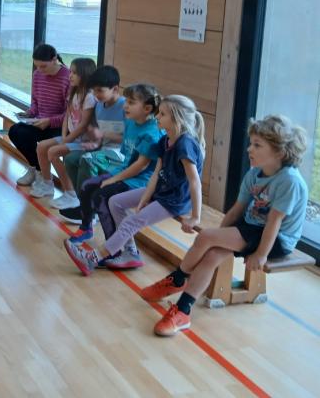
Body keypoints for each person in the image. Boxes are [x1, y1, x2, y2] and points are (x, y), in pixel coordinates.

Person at [142, 115, 308, 337]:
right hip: (253, 226)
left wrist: (260, 255)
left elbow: (274, 222)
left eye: (257, 145)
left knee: (206, 237)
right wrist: (217, 237)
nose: (249, 149)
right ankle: (183, 311)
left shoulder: (289, 181)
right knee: (211, 254)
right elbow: (236, 210)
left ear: (279, 152)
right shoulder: (254, 174)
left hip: (276, 238)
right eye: (251, 143)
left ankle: (178, 278)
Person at [63, 94, 206, 276]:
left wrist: (195, 217)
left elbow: (194, 182)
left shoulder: (185, 144)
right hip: (161, 191)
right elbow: (157, 173)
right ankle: (130, 252)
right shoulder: (165, 140)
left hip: (175, 200)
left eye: (162, 114)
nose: (157, 117)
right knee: (115, 202)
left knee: (131, 222)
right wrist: (145, 197)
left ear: (177, 119)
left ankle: (92, 258)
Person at [63, 83, 163, 269]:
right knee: (87, 186)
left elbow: (140, 167)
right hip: (125, 171)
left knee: (101, 196)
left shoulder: (151, 133)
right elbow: (126, 156)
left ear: (147, 109)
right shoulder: (131, 123)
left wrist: (112, 179)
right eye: (127, 101)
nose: (125, 105)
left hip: (140, 181)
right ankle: (86, 228)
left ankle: (114, 251)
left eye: (131, 102)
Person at [32, 58, 97, 202]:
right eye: (70, 72)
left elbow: (83, 125)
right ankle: (47, 184)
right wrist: (64, 136)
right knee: (41, 147)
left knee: (53, 152)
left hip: (84, 141)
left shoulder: (89, 97)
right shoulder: (74, 92)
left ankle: (70, 192)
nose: (70, 75)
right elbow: (67, 116)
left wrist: (66, 140)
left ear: (85, 74)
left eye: (74, 73)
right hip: (71, 137)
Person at [61, 65, 127, 204]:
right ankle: (81, 201)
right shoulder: (99, 106)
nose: (96, 95)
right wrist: (95, 143)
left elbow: (129, 140)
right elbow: (99, 136)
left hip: (121, 154)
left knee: (87, 160)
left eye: (100, 90)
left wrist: (102, 134)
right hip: (103, 150)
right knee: (70, 158)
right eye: (94, 90)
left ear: (115, 89)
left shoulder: (125, 107)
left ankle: (86, 206)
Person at [11, 44, 70, 187]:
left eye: (43, 66)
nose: (40, 70)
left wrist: (49, 121)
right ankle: (36, 169)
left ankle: (42, 173)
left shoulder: (68, 77)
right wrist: (29, 113)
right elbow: (35, 102)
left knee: (30, 137)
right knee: (15, 131)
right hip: (40, 122)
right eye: (37, 66)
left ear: (54, 60)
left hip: (60, 127)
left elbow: (70, 114)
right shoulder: (37, 75)